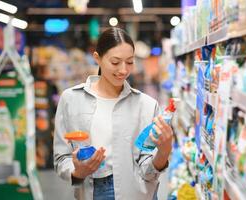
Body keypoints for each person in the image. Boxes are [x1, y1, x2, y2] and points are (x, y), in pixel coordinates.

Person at [54, 27, 173, 200]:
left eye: (130, 62)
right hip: (91, 191)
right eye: (115, 62)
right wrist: (78, 171)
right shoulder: (71, 100)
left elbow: (148, 171)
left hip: (137, 192)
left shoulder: (147, 105)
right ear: (98, 59)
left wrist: (164, 151)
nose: (123, 70)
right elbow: (61, 158)